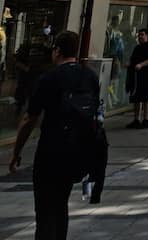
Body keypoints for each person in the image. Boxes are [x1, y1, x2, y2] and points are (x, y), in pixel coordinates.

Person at [8, 29, 105, 239]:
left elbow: (30, 119)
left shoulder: (49, 78)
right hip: (78, 152)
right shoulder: (90, 76)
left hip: (51, 152)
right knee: (61, 204)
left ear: (57, 51)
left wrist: (16, 152)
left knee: (44, 211)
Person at [126, 28, 148, 129]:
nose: (140, 37)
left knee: (146, 98)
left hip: (147, 77)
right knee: (137, 99)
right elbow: (133, 60)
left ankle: (146, 120)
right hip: (136, 77)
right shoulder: (137, 48)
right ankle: (136, 120)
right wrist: (129, 65)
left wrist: (141, 64)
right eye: (139, 35)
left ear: (147, 36)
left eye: (142, 35)